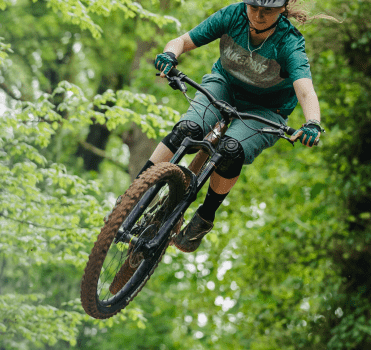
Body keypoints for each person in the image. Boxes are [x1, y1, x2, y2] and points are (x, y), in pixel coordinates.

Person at [141, 0, 328, 253]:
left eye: (268, 11)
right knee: (187, 129)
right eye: (254, 8)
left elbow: (305, 91)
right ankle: (137, 192)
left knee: (231, 150)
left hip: (265, 110)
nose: (259, 16)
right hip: (224, 86)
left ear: (282, 9)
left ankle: (204, 217)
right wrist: (168, 55)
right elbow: (182, 41)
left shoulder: (289, 42)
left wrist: (312, 123)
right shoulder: (233, 15)